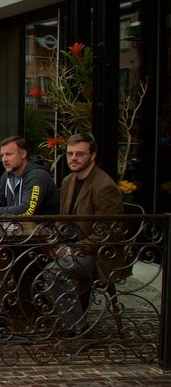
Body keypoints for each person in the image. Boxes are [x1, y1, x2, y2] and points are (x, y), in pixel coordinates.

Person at [43, 133, 125, 336]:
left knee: (54, 270)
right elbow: (64, 220)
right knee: (32, 256)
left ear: (92, 156)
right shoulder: (70, 180)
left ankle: (77, 328)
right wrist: (55, 244)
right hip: (76, 245)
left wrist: (71, 250)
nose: (73, 158)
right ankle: (40, 316)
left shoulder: (104, 186)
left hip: (100, 255)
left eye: (80, 154)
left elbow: (108, 233)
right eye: (70, 154)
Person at [0, 135, 60, 216]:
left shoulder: (37, 176)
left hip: (42, 226)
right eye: (2, 155)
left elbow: (27, 210)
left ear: (23, 154)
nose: (4, 159)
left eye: (9, 154)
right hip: (17, 226)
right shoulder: (7, 174)